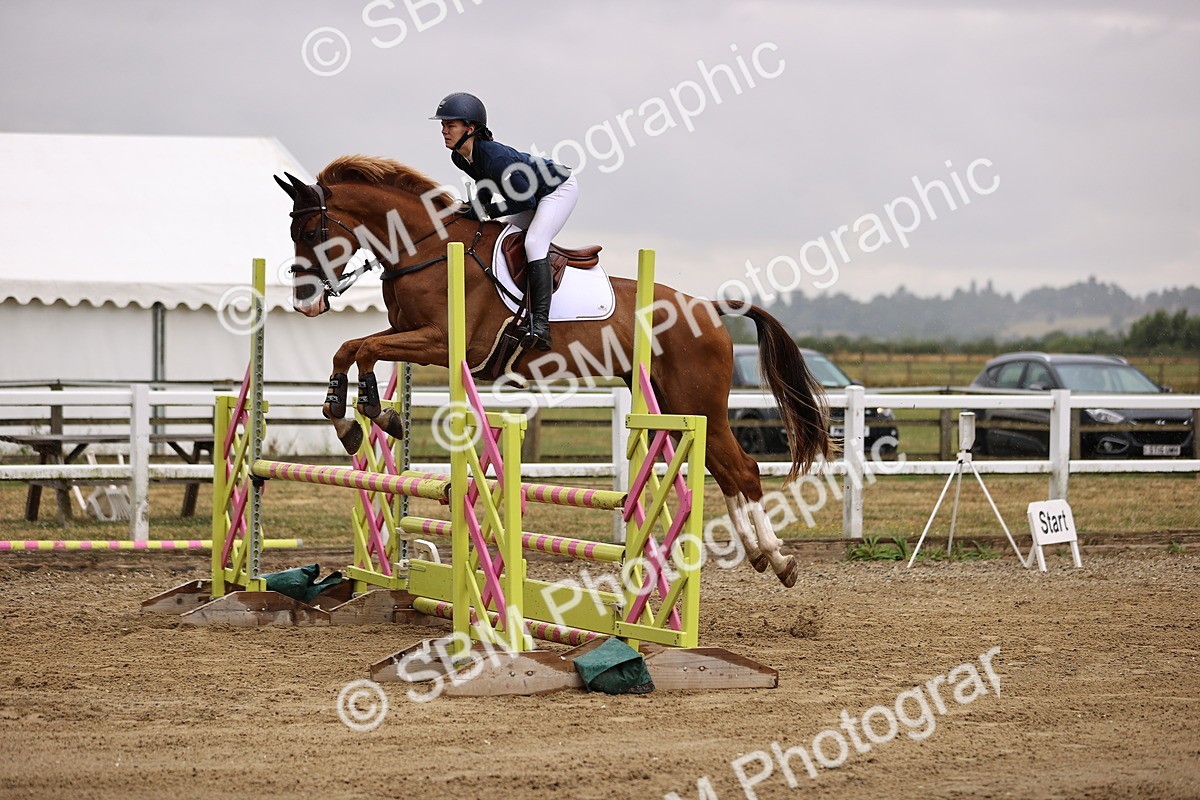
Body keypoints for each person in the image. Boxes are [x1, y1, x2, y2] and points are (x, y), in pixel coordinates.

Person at [431, 91, 576, 351]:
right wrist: (478, 205)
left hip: (557, 190)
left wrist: (487, 210)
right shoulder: (459, 156)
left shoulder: (496, 157)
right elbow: (483, 180)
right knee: (502, 235)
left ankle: (541, 325)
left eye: (450, 125)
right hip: (533, 195)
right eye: (443, 125)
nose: (444, 131)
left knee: (534, 242)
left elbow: (527, 202)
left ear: (470, 128)